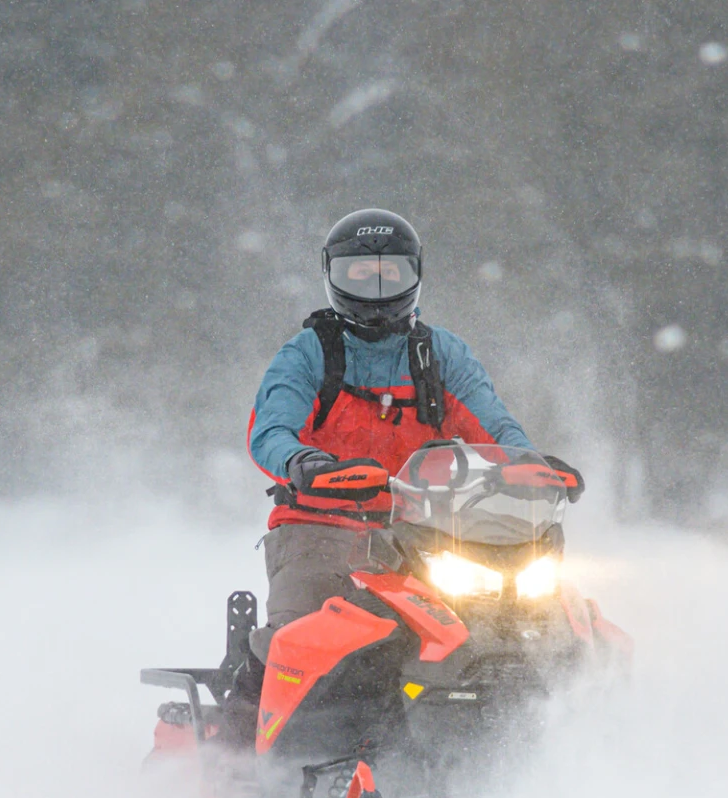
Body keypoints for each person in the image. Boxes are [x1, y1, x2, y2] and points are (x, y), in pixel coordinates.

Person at [226, 208, 582, 737]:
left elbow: (496, 424)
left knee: (527, 621)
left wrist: (529, 466)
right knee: (301, 641)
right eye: (358, 275)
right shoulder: (307, 354)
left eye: (390, 273)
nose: (375, 287)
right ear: (331, 277)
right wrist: (303, 461)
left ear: (415, 274)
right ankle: (255, 746)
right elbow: (270, 430)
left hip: (424, 532)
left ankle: (551, 734)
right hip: (320, 530)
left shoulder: (442, 356)